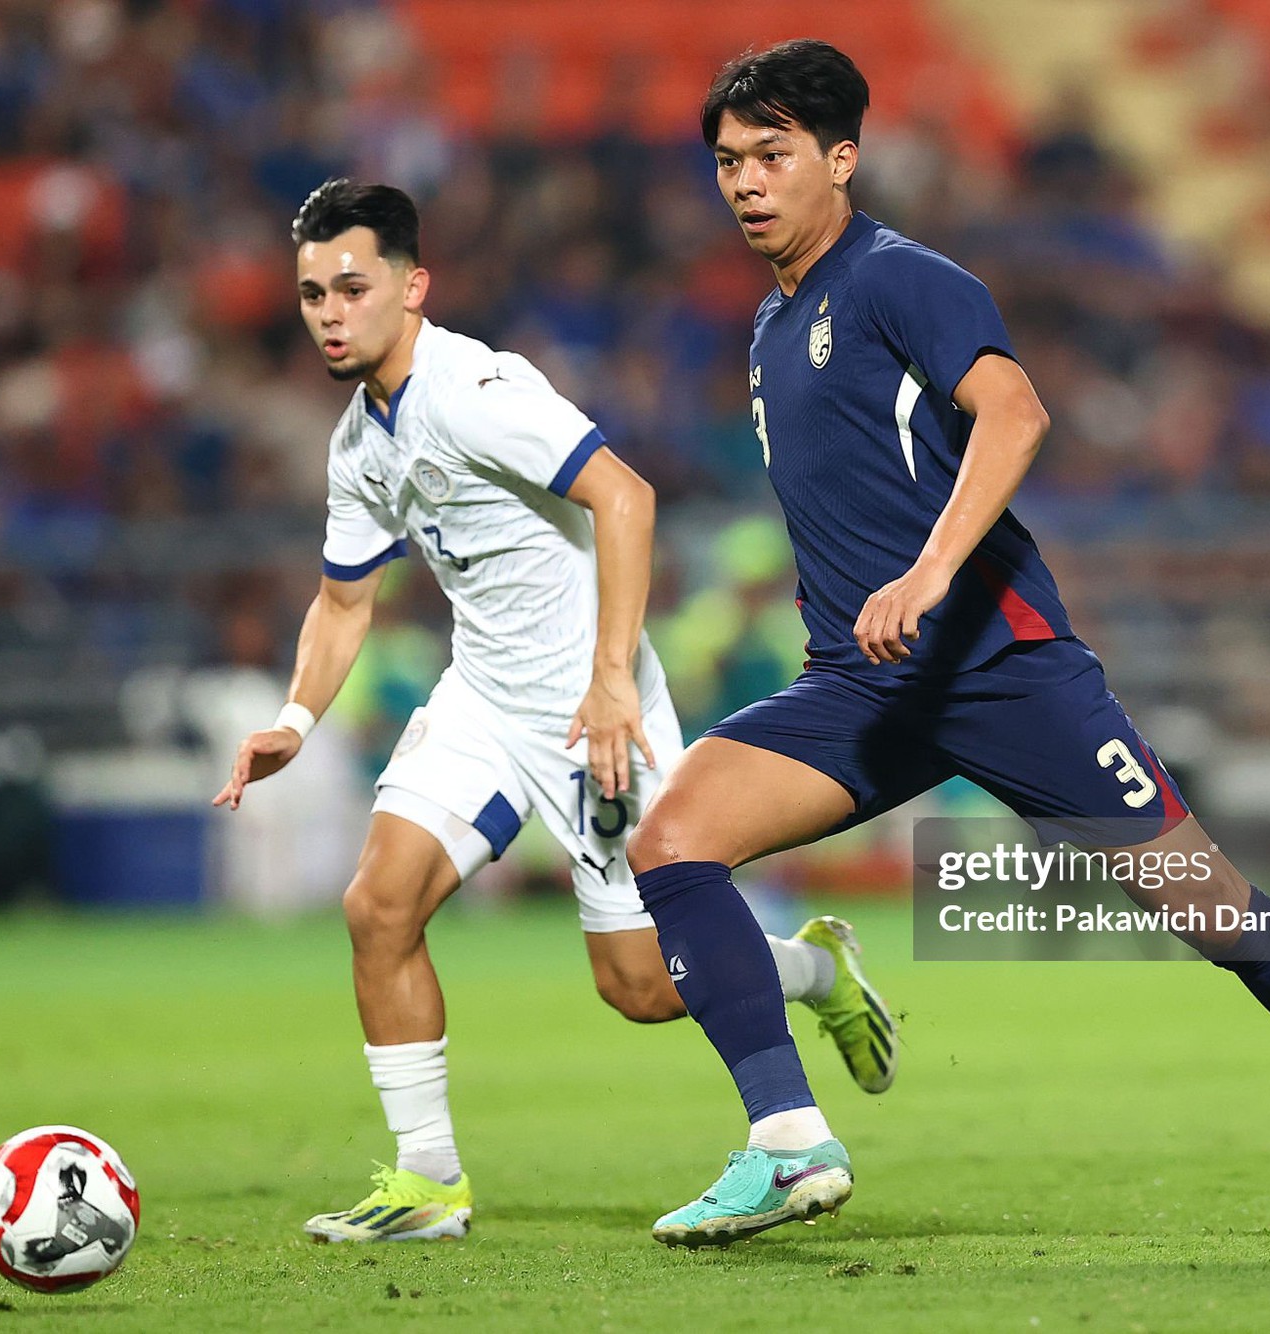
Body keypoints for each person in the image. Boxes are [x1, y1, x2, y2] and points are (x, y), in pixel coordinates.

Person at [625, 40, 1270, 1249]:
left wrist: (928, 570)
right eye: (727, 162)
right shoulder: (767, 327)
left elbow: (1015, 413)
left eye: (772, 154)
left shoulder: (903, 278)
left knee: (1217, 913)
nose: (744, 181)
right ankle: (789, 1142)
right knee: (674, 837)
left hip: (1002, 671)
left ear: (840, 158)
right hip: (860, 684)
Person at [211, 179, 899, 1243]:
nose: (330, 312)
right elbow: (346, 598)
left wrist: (612, 676)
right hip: (483, 698)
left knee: (637, 986)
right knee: (376, 906)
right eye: (311, 294)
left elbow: (624, 493)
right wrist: (294, 722)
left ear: (411, 284)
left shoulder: (476, 387)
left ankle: (811, 965)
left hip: (592, 713)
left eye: (352, 285)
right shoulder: (358, 440)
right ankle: (426, 1180)